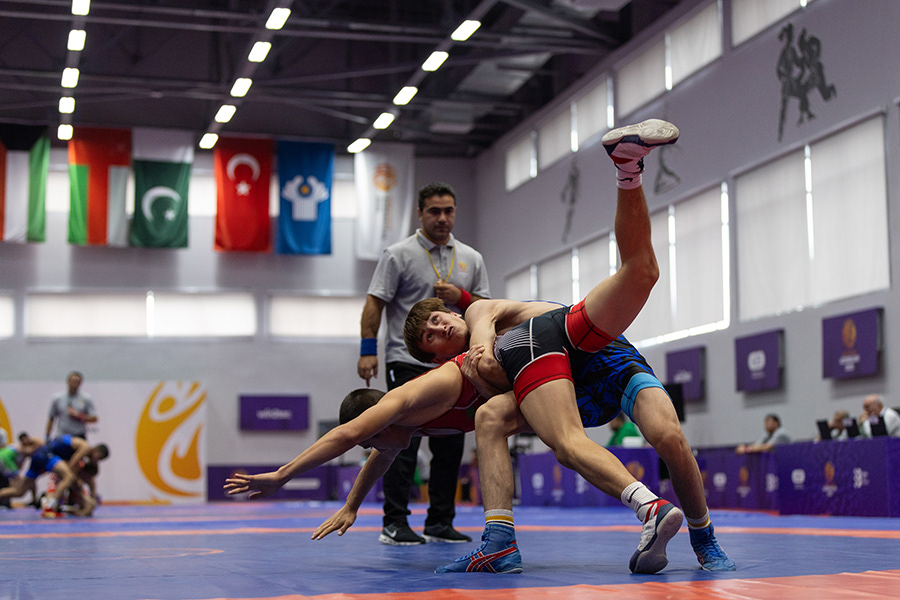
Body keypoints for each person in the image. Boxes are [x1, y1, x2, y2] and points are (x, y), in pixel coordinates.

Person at [225, 120, 687, 574]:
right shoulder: (399, 428)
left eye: (438, 323)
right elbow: (374, 456)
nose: (380, 450)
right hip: (550, 365)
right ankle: (628, 169)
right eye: (431, 330)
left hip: (542, 341)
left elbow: (345, 435)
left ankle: (643, 509)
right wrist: (351, 505)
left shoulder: (414, 394)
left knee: (562, 435)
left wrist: (282, 475)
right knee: (634, 283)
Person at [406, 119, 731, 574]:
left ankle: (704, 537)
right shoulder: (456, 374)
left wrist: (479, 349)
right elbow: (383, 430)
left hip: (595, 352)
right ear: (436, 356)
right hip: (560, 383)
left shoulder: (481, 315)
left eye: (442, 318)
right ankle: (499, 541)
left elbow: (482, 331)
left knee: (669, 436)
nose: (443, 327)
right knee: (491, 416)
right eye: (432, 334)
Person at [357, 182, 490, 545]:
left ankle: (439, 522)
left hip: (456, 363)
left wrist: (461, 296)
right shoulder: (398, 254)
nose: (442, 218)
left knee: (451, 442)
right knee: (402, 440)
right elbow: (375, 302)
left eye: (448, 211)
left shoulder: (471, 257)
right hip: (408, 360)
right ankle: (394, 523)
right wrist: (368, 349)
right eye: (434, 211)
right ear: (419, 213)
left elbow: (485, 308)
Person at [0, 434, 109, 517]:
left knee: (19, 491)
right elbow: (71, 466)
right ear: (97, 451)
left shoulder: (79, 452)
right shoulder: (85, 447)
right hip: (46, 454)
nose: (96, 461)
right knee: (70, 477)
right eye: (98, 458)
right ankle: (51, 502)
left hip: (40, 456)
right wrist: (79, 490)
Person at [46, 371, 98, 440]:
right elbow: (51, 417)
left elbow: (94, 418)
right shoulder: (58, 398)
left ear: (80, 383)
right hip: (61, 435)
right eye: (72, 381)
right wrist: (47, 435)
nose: (74, 384)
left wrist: (80, 416)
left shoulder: (86, 398)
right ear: (68, 381)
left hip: (79, 435)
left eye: (77, 382)